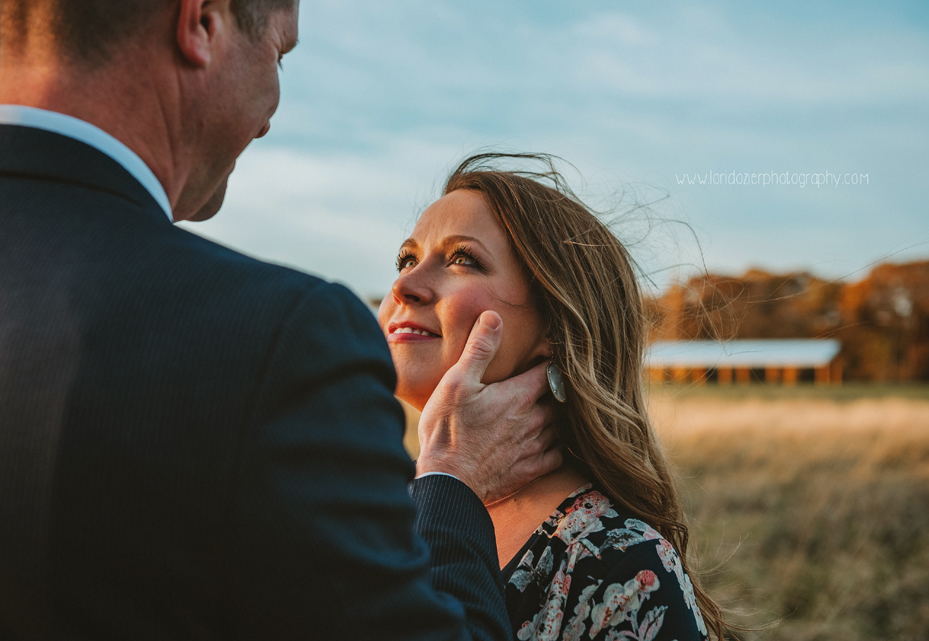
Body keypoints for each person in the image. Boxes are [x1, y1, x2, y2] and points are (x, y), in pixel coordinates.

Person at [0, 2, 562, 639]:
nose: (270, 115)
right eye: (280, 56)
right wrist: (450, 484)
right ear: (202, 23)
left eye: (461, 259)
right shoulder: (277, 340)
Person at [379, 153, 730, 640]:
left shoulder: (618, 566)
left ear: (556, 327)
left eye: (462, 259)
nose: (403, 285)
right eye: (406, 258)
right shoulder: (374, 512)